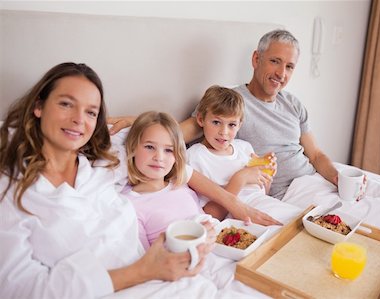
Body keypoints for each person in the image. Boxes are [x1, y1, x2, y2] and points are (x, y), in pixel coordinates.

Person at [0, 62, 218, 299]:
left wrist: (234, 203)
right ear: (38, 107)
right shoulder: (12, 190)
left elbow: (164, 144)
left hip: (158, 278)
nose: (78, 120)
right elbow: (18, 289)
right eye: (66, 104)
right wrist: (142, 271)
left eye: (91, 112)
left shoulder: (105, 163)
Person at [108, 29, 338, 200]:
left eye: (289, 66)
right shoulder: (230, 106)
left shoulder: (293, 104)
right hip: (286, 195)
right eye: (275, 61)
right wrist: (137, 122)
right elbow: (175, 133)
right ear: (256, 59)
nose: (281, 73)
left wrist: (338, 178)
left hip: (313, 180)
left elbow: (316, 155)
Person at [186, 85, 301, 224]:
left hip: (266, 205)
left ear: (240, 124)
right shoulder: (195, 157)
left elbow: (260, 193)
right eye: (216, 122)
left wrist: (267, 176)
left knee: (305, 223)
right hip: (240, 221)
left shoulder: (244, 148)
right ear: (200, 119)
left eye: (232, 125)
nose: (224, 132)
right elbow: (209, 216)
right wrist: (240, 178)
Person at [121, 110, 212, 249]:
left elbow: (204, 220)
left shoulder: (181, 186)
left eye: (168, 150)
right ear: (133, 147)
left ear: (177, 156)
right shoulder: (129, 204)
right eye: (150, 147)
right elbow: (145, 261)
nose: (159, 157)